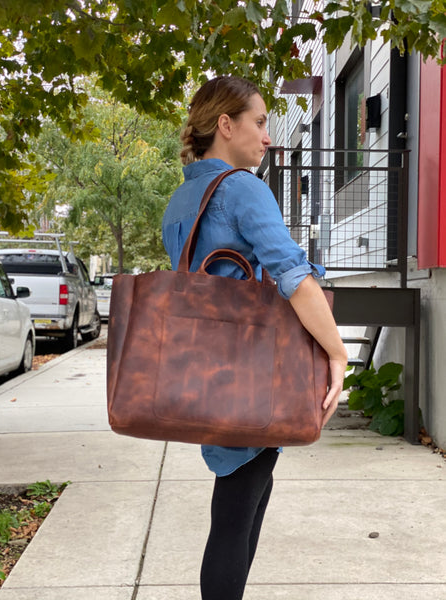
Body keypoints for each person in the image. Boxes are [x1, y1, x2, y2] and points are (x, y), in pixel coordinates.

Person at [162, 76, 348, 600]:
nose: (268, 138)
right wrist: (337, 351)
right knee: (236, 519)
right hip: (252, 375)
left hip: (209, 373)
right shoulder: (242, 187)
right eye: (260, 123)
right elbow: (292, 276)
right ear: (226, 125)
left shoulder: (183, 198)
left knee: (239, 510)